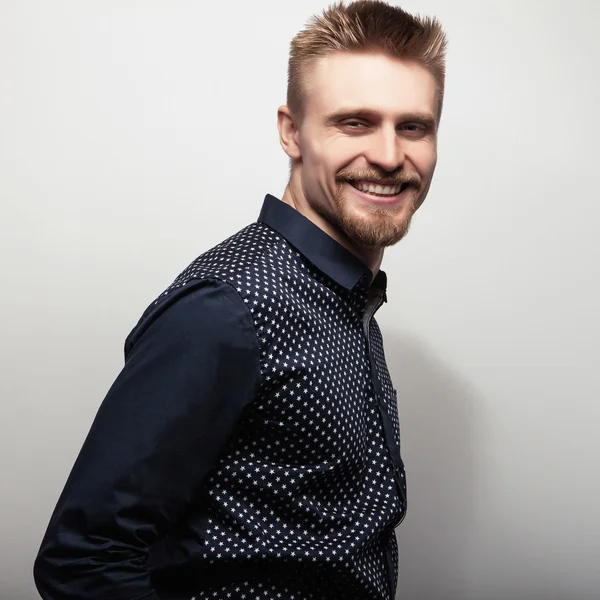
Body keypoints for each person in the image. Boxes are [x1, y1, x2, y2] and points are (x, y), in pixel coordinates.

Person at [33, 1, 447, 598]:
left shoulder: (344, 298)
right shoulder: (231, 308)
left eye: (413, 126)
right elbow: (83, 560)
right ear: (291, 131)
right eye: (354, 122)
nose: (388, 156)